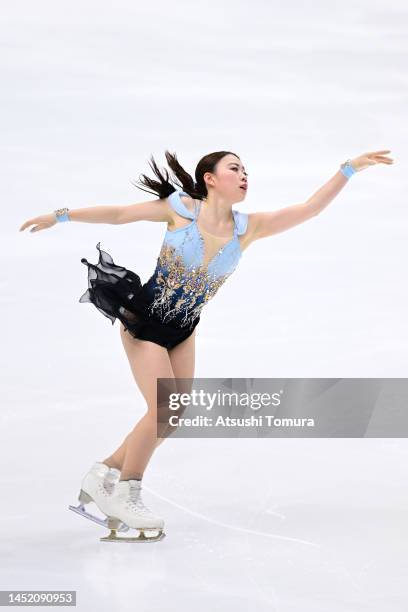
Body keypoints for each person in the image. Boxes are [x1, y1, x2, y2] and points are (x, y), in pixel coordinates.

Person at [19, 149, 393, 542]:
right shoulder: (180, 209)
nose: (244, 175)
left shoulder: (249, 228)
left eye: (247, 170)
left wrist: (349, 169)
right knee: (162, 410)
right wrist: (60, 215)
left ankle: (103, 474)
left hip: (183, 330)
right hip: (145, 322)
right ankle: (128, 489)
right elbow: (118, 214)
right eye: (235, 169)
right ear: (210, 178)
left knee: (173, 415)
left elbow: (310, 208)